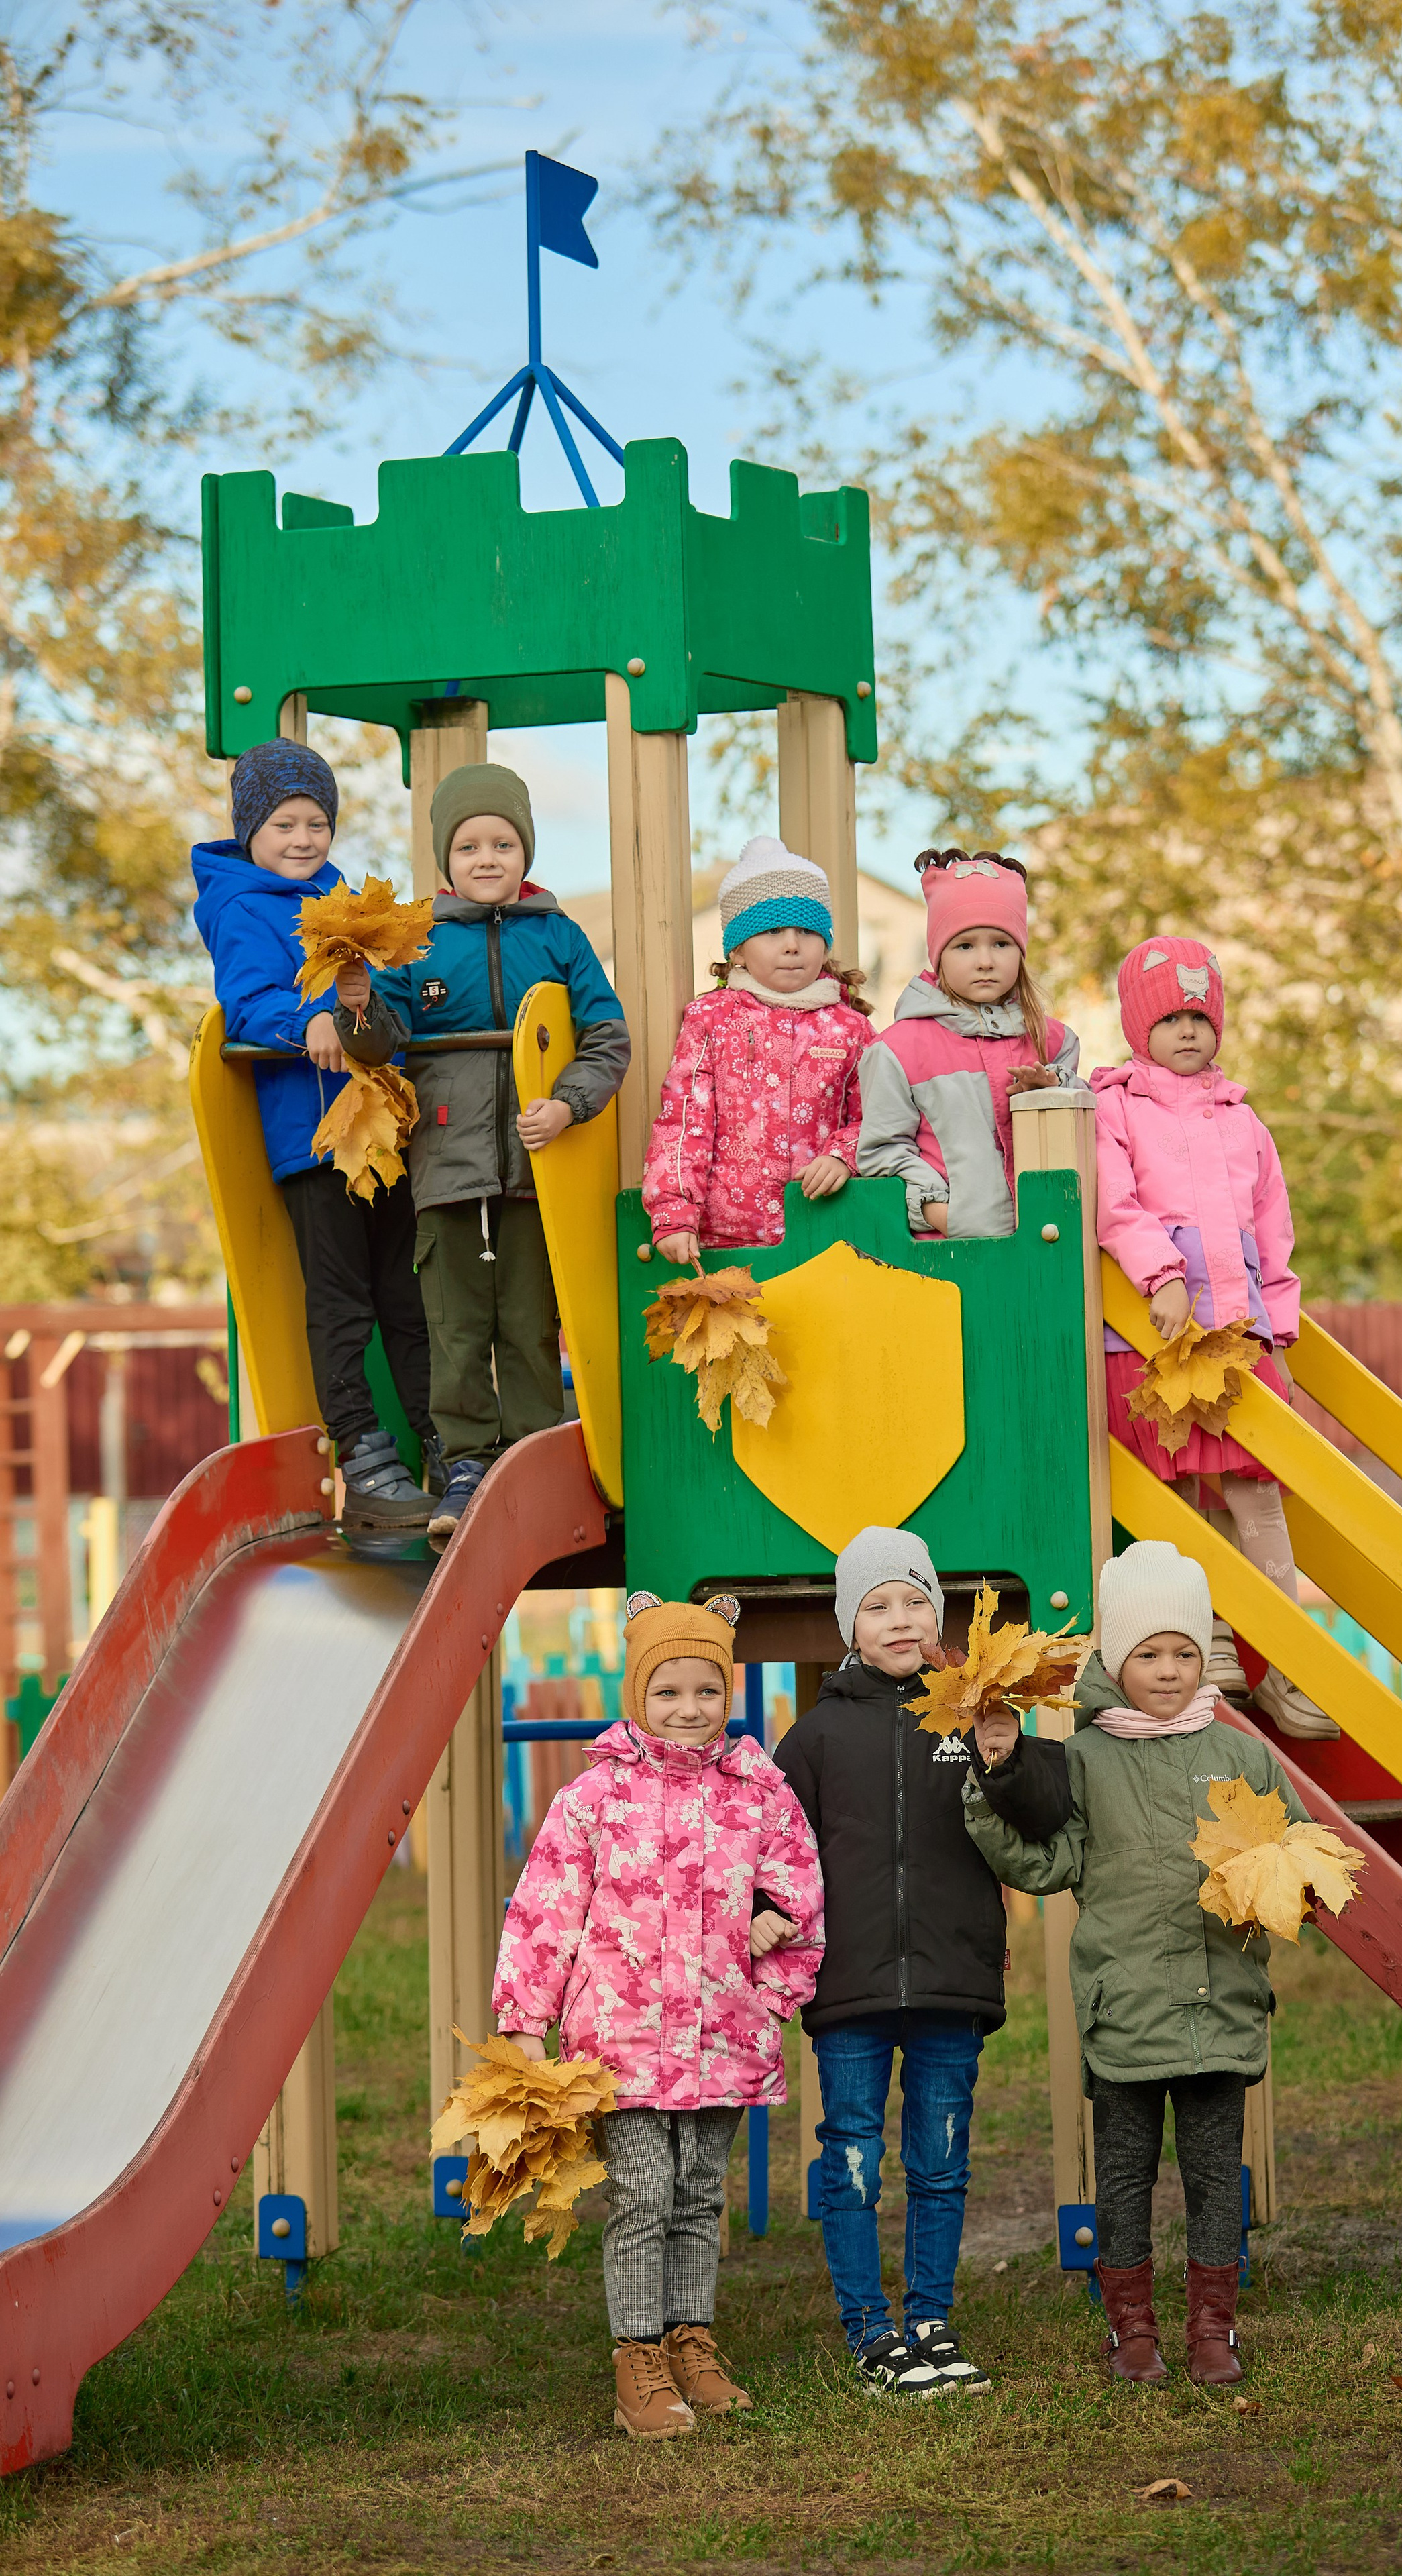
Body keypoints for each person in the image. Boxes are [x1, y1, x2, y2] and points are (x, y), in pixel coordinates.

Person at [964, 1540, 1309, 2389]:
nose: (1167, 1670)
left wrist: (1297, 1888)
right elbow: (1048, 1866)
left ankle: (1212, 2329)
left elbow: (1295, 1853)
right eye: (1148, 1654)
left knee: (1212, 2174)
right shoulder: (1083, 1760)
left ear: (1205, 1659)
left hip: (1220, 1999)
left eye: (1184, 1653)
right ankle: (1131, 2329)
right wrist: (988, 1789)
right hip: (1125, 2005)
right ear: (1115, 1661)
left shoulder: (1244, 1756)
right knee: (1122, 2174)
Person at [493, 1593, 824, 2439]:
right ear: (637, 1694)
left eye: (706, 1692)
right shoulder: (593, 1799)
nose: (688, 1709)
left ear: (728, 1693)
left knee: (700, 2193)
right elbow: (545, 1910)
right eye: (668, 1692)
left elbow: (798, 1886)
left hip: (721, 2034)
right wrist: (526, 2018)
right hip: (624, 2041)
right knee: (643, 2194)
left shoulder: (758, 1792)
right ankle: (637, 2359)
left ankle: (691, 2343)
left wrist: (772, 1959)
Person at [335, 763, 630, 1535]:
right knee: (456, 1327)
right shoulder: (418, 946)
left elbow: (606, 1036)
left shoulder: (557, 937)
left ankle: (534, 1457)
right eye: (470, 846)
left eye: (503, 843)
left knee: (531, 1324)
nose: (488, 858)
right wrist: (359, 1010)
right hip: (448, 1167)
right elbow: (380, 1048)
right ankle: (464, 1464)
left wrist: (568, 1106)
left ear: (525, 852)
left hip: (538, 1174)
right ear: (446, 859)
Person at [774, 1526, 1006, 2398]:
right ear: (849, 1625)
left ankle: (932, 2321)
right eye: (879, 1606)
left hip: (952, 1979)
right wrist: (771, 1923)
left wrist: (1003, 1752)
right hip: (853, 1986)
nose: (901, 1620)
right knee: (855, 2157)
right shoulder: (817, 1738)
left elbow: (1027, 1811)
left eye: (916, 1601)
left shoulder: (970, 1716)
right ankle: (871, 2328)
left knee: (941, 2158)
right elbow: (777, 1853)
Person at [1093, 936, 1338, 1739]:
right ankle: (1211, 1641)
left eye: (1201, 1016)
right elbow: (1113, 1202)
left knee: (1254, 1494)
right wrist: (1159, 1274)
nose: (1188, 1031)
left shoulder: (1242, 1119)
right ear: (1139, 1027)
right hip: (1152, 1337)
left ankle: (1288, 1660)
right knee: (1172, 1497)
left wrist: (1279, 1324)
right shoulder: (1116, 1106)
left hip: (1236, 1339)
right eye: (1170, 1018)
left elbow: (1273, 1226)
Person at [192, 738, 438, 1528]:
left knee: (410, 1291)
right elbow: (250, 1003)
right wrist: (313, 1021)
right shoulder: (240, 907)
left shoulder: (343, 904)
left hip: (376, 1132)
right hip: (311, 1138)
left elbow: (381, 994)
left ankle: (443, 1439)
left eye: (316, 824)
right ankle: (364, 1456)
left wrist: (372, 1010)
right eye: (285, 825)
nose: (303, 840)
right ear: (250, 832)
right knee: (342, 1300)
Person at [643, 835, 874, 1262]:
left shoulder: (851, 1029)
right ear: (737, 951)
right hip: (723, 1239)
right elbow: (683, 1121)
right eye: (772, 931)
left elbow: (880, 1115)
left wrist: (845, 1156)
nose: (792, 944)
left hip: (825, 1233)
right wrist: (674, 1211)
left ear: (825, 944)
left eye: (806, 930)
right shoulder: (710, 1019)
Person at [856, 847, 1081, 1238]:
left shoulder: (1054, 1040)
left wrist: (1053, 1090)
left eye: (1001, 943)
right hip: (951, 1256)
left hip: (1051, 1244)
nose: (985, 961)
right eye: (965, 945)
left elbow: (1083, 1134)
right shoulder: (898, 1050)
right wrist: (946, 1214)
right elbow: (883, 1152)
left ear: (1021, 952)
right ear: (938, 956)